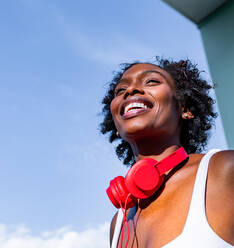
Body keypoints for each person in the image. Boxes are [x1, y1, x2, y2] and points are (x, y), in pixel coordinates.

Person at [100, 58, 234, 248]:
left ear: (184, 109)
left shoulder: (224, 170)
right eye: (121, 90)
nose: (130, 91)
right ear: (115, 124)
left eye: (151, 81)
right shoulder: (119, 224)